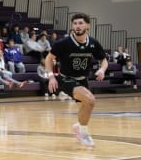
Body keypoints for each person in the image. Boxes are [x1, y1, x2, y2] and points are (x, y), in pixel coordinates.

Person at [45, 13, 108, 148]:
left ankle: (79, 126)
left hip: (83, 80)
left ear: (87, 25)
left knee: (86, 107)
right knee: (90, 100)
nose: (77, 26)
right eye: (75, 23)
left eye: (80, 23)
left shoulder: (93, 43)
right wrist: (51, 76)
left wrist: (102, 70)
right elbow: (49, 59)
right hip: (66, 79)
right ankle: (83, 133)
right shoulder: (63, 43)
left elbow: (103, 60)